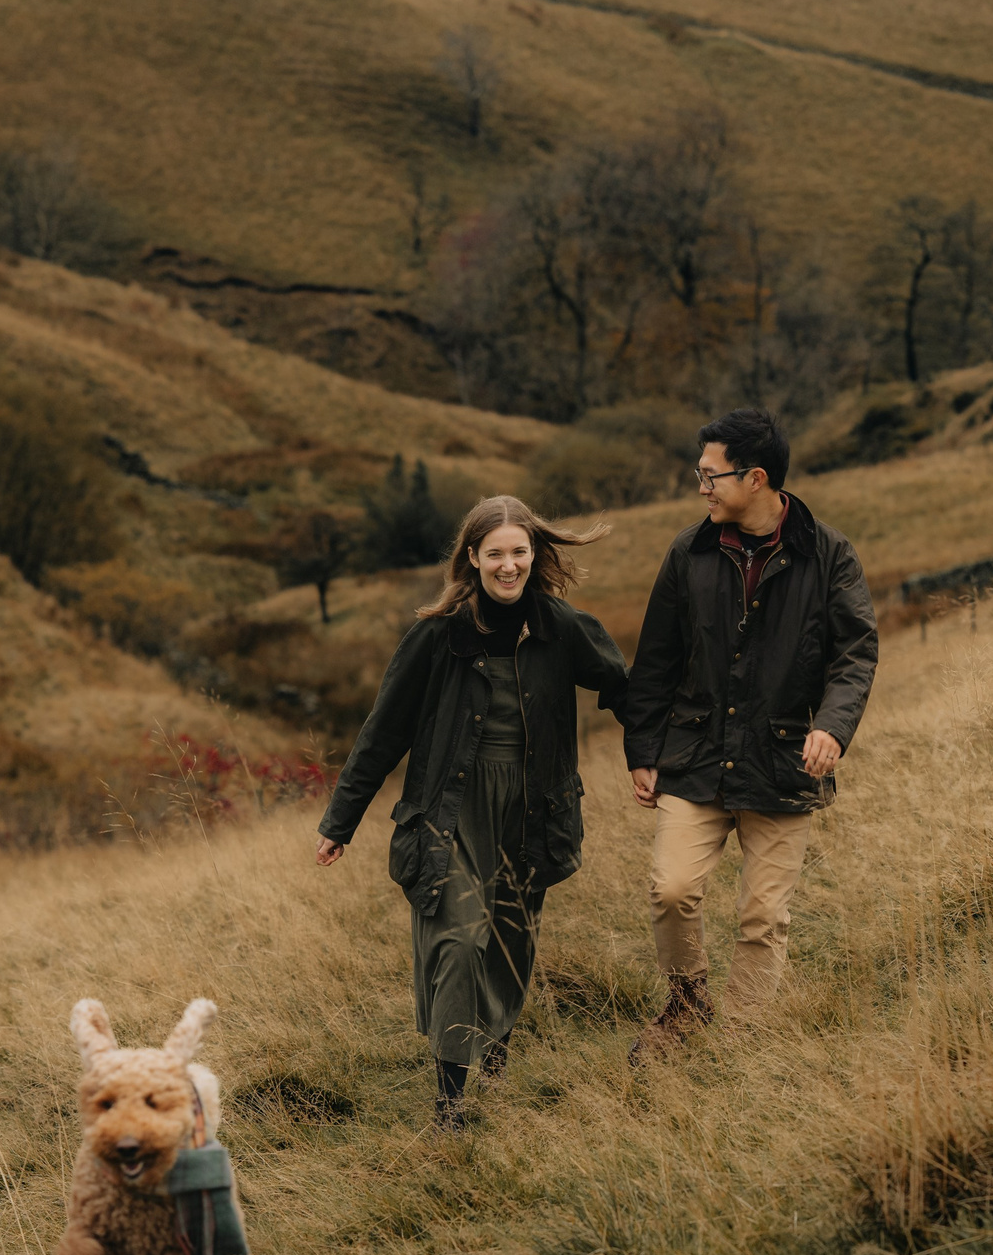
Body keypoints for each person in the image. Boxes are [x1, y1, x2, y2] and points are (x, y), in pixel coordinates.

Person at [314, 495, 630, 1128]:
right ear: (472, 558)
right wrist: (339, 823)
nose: (508, 566)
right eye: (495, 554)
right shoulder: (437, 636)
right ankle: (451, 1100)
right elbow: (383, 733)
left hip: (534, 807)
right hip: (451, 810)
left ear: (534, 555)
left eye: (519, 552)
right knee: (458, 938)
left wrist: (647, 756)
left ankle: (494, 1058)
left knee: (509, 940)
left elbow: (625, 686)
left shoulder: (560, 627)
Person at [621, 408, 877, 1062]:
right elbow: (655, 662)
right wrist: (642, 751)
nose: (701, 487)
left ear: (755, 478)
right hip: (696, 754)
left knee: (764, 917)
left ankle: (739, 1042)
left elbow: (855, 655)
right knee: (672, 890)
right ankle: (687, 1003)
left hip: (785, 763)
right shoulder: (688, 552)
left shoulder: (830, 555)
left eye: (711, 476)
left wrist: (834, 728)